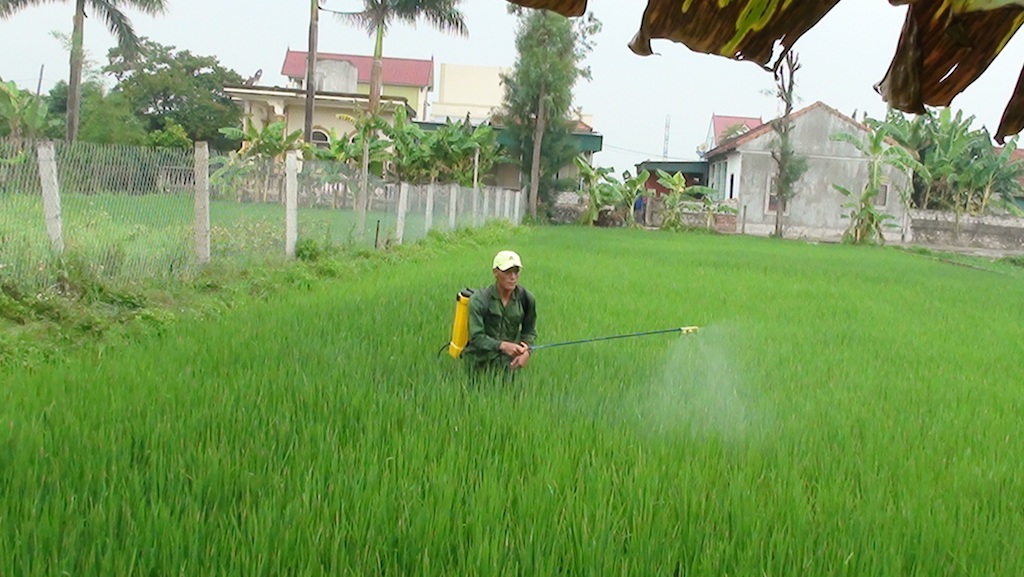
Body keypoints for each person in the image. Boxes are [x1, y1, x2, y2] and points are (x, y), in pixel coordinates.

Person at [462, 250, 537, 379]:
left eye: (516, 272)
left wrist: (527, 352)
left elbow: (529, 332)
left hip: (509, 366)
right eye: (507, 272)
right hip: (478, 365)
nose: (513, 277)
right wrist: (503, 345)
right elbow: (476, 337)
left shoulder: (526, 298)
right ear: (495, 272)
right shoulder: (479, 300)